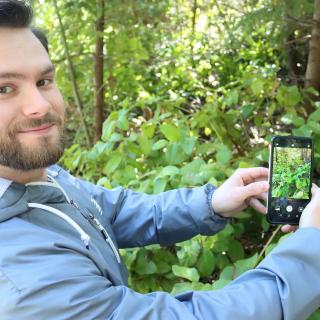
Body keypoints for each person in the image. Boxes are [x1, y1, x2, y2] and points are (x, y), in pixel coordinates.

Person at [0, 1, 319, 319]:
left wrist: (211, 203)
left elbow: (112, 210)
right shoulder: (22, 280)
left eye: (43, 81)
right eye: (5, 88)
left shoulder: (39, 174)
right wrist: (311, 250)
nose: (39, 105)